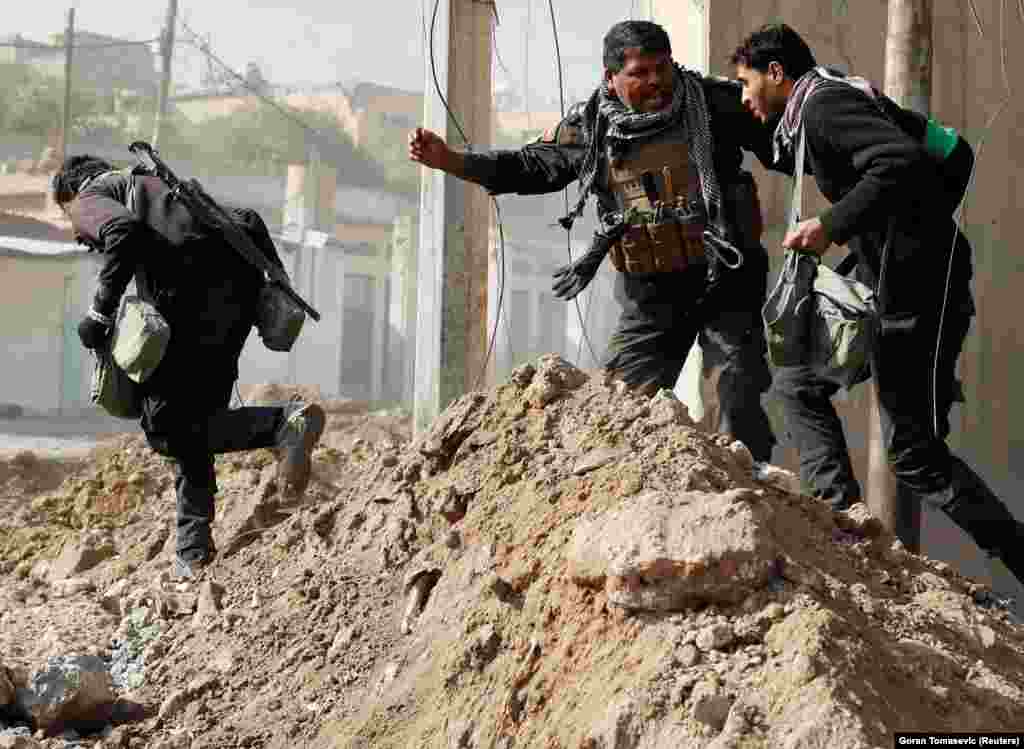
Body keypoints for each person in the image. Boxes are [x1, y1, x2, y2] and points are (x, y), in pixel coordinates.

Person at [730, 23, 1024, 583]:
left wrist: (834, 224)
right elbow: (937, 153)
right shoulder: (825, 103)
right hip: (884, 275)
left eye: (746, 83)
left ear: (775, 73)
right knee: (797, 377)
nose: (744, 98)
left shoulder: (824, 108)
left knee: (914, 456)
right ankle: (841, 523)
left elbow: (900, 162)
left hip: (918, 289)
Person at [409, 20, 778, 462]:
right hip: (653, 292)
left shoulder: (713, 102)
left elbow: (783, 140)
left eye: (662, 68)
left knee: (737, 392)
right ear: (611, 78)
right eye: (639, 73)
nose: (656, 82)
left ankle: (746, 496)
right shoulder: (591, 127)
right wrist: (451, 161)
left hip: (727, 278)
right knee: (620, 410)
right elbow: (531, 168)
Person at [54, 155, 326, 579]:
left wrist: (99, 315)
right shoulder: (158, 186)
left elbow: (121, 232)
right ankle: (193, 552)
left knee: (167, 427)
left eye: (73, 224)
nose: (80, 237)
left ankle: (282, 425)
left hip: (185, 286)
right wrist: (275, 288)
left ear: (70, 195)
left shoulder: (89, 196)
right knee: (196, 423)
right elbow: (247, 219)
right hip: (235, 289)